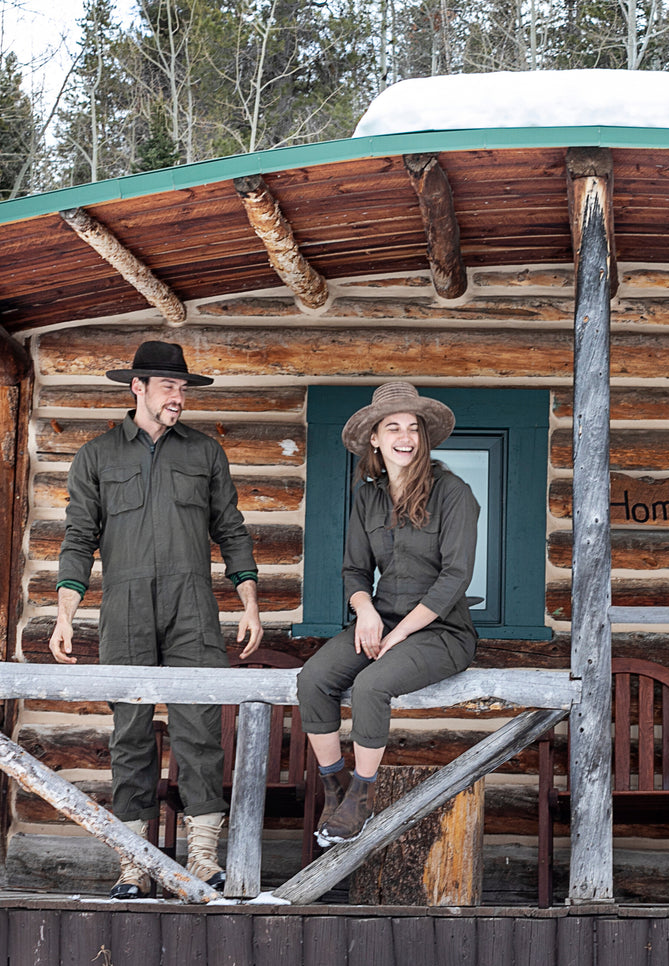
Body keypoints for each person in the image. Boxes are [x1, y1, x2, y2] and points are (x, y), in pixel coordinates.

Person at [50, 340, 262, 898]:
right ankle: (133, 861)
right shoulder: (96, 456)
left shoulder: (204, 454)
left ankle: (202, 858)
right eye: (170, 386)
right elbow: (79, 538)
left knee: (199, 729)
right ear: (137, 387)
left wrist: (250, 602)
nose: (179, 397)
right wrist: (65, 614)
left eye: (184, 388)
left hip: (194, 607)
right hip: (123, 608)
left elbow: (231, 529)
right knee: (131, 735)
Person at [297, 380, 479, 845]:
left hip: (441, 632)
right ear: (375, 439)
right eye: (392, 427)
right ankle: (335, 787)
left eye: (413, 428)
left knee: (370, 684)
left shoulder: (454, 493)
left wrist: (398, 637)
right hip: (381, 619)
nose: (405, 436)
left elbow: (456, 577)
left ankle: (362, 797)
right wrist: (365, 612)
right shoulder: (367, 495)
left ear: (424, 437)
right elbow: (354, 569)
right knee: (314, 678)